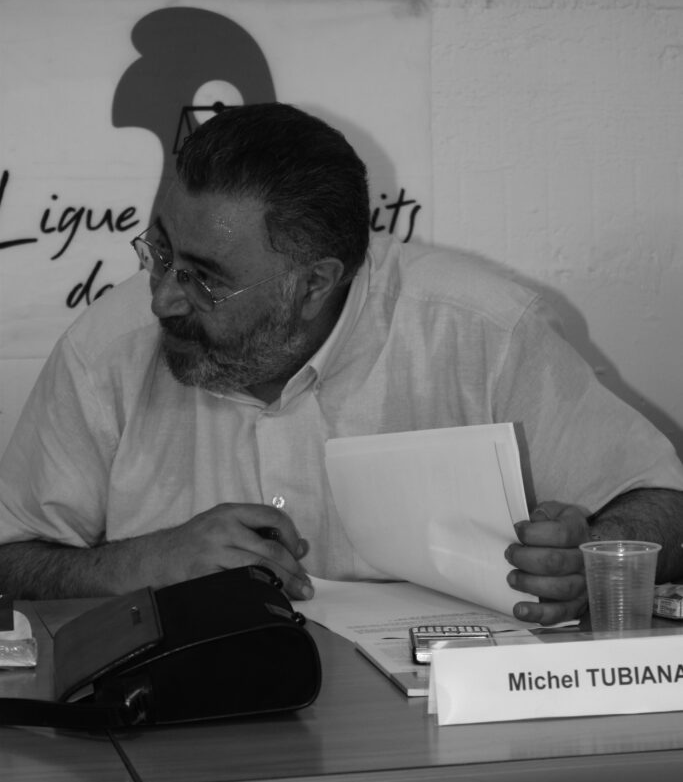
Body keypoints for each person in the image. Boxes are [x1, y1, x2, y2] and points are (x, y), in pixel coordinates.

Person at [1, 103, 682, 625]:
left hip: (438, 722)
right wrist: (141, 562)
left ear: (313, 284)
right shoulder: (109, 348)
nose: (162, 298)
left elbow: (665, 505)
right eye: (159, 250)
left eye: (205, 278)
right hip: (182, 725)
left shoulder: (480, 332)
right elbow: (9, 557)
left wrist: (590, 554)